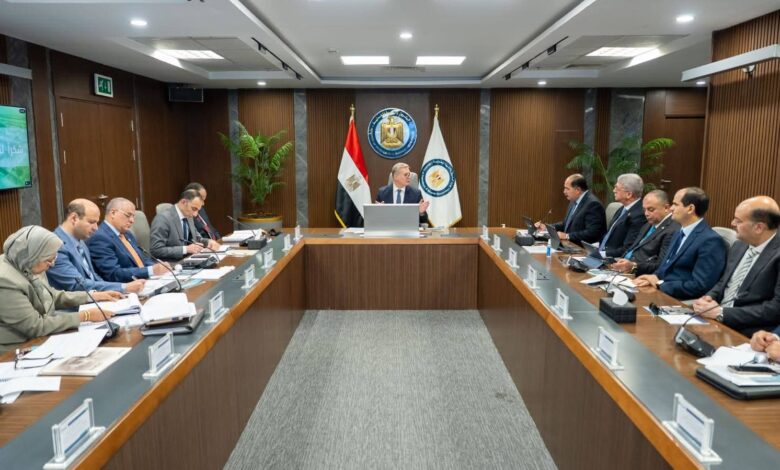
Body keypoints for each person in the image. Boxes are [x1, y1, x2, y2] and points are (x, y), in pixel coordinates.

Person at [0, 226, 118, 353]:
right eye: (49, 260)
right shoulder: (6, 281)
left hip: (41, 337)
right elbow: (36, 326)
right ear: (33, 255)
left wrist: (90, 296)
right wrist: (85, 316)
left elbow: (50, 296)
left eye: (54, 258)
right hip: (15, 350)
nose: (52, 264)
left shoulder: (26, 262)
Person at [692, 196, 780, 336]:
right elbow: (724, 282)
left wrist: (722, 313)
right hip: (714, 321)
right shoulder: (739, 244)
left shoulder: (777, 255)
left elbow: (775, 308)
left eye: (738, 221)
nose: (732, 223)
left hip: (749, 331)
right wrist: (708, 297)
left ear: (759, 227)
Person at [635, 187, 727, 300]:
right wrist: (652, 277)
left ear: (690, 209)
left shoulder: (710, 241)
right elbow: (666, 265)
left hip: (678, 300)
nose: (671, 208)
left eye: (675, 204)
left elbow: (700, 286)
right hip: (661, 291)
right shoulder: (679, 232)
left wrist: (660, 284)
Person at [47, 199, 146, 294]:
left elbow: (93, 277)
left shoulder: (81, 241)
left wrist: (116, 291)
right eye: (91, 222)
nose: (96, 228)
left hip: (94, 298)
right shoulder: (55, 245)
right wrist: (123, 287)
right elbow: (77, 285)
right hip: (76, 304)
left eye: (97, 223)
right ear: (74, 218)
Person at [87, 197, 169, 282]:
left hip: (146, 281)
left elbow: (142, 259)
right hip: (127, 286)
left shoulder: (127, 233)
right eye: (128, 215)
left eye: (133, 216)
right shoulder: (100, 238)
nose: (132, 220)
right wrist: (150, 270)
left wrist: (158, 267)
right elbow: (113, 274)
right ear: (113, 213)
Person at [609, 190, 680, 275]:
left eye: (650, 209)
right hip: (621, 268)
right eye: (644, 209)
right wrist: (618, 261)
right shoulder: (648, 224)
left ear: (666, 208)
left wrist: (633, 266)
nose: (646, 214)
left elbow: (660, 265)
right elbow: (633, 248)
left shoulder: (672, 230)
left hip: (639, 274)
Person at [150, 189, 220, 261]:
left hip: (188, 260)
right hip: (171, 264)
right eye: (194, 209)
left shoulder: (188, 216)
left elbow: (196, 238)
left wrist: (208, 242)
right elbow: (156, 250)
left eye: (197, 210)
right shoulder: (163, 219)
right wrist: (186, 249)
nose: (195, 214)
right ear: (183, 202)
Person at [539, 174, 606, 245]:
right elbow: (566, 224)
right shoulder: (574, 200)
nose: (564, 191)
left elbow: (592, 233)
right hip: (569, 245)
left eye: (567, 189)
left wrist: (567, 236)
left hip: (582, 248)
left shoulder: (593, 204)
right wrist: (547, 227)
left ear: (578, 190)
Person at [597, 174, 646, 257]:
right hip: (603, 252)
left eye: (617, 188)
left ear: (628, 194)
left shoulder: (639, 215)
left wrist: (602, 254)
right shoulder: (623, 208)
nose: (614, 191)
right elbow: (609, 236)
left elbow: (627, 249)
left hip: (615, 260)